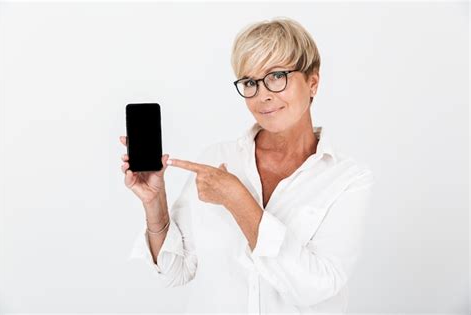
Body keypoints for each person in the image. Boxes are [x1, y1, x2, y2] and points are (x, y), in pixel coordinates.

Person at [120, 17, 374, 314]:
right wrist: (154, 203)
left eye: (277, 76)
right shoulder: (215, 160)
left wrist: (237, 199)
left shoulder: (347, 179)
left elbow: (314, 287)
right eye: (250, 82)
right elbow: (176, 269)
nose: (263, 94)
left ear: (312, 82)